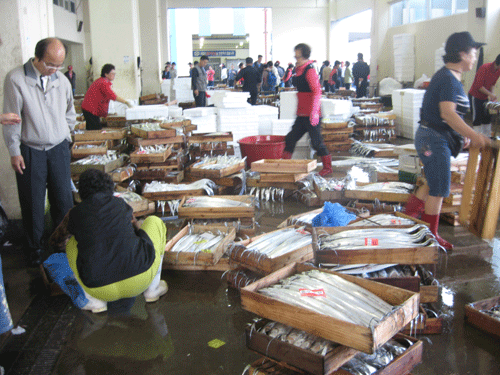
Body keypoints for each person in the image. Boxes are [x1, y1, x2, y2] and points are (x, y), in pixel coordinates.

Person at [404, 31, 491, 251]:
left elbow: (447, 117)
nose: (475, 56)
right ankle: (431, 237)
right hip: (432, 140)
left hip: (433, 137)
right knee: (440, 188)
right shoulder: (448, 79)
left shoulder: (450, 77)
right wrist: (474, 135)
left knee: (434, 182)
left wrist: (460, 137)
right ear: (462, 53)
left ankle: (409, 218)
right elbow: (448, 114)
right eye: (473, 52)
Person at [49, 169, 168, 312]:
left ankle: (94, 303)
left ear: (82, 192)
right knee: (154, 221)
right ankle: (153, 289)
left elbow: (56, 241)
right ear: (109, 188)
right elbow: (136, 230)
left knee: (72, 243)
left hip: (98, 288)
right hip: (140, 279)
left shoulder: (75, 213)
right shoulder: (120, 203)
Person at [2, 37, 76, 266]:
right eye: (50, 65)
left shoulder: (61, 80)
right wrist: (15, 151)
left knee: (63, 199)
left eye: (59, 66)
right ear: (37, 58)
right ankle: (34, 249)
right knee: (33, 202)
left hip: (58, 149)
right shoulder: (16, 79)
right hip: (31, 150)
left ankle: (63, 245)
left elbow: (70, 112)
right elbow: (12, 119)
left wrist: (66, 137)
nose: (54, 70)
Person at [281, 43, 332, 177]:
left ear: (304, 56)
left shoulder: (309, 70)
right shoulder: (299, 69)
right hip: (302, 113)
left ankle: (328, 167)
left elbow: (316, 91)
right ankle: (284, 164)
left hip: (311, 114)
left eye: (297, 56)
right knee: (290, 138)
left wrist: (315, 112)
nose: (295, 58)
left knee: (316, 142)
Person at [81, 64, 133, 130]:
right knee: (96, 130)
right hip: (90, 110)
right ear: (106, 74)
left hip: (90, 109)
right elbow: (113, 96)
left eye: (114, 73)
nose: (114, 75)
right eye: (112, 73)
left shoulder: (103, 81)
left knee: (92, 129)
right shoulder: (103, 83)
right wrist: (126, 102)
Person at [468, 54, 500, 136]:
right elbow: (479, 87)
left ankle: (487, 138)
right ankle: (477, 139)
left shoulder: (498, 71)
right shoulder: (484, 67)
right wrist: (491, 95)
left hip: (484, 97)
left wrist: (492, 95)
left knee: (486, 118)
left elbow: (493, 83)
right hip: (475, 96)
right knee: (477, 119)